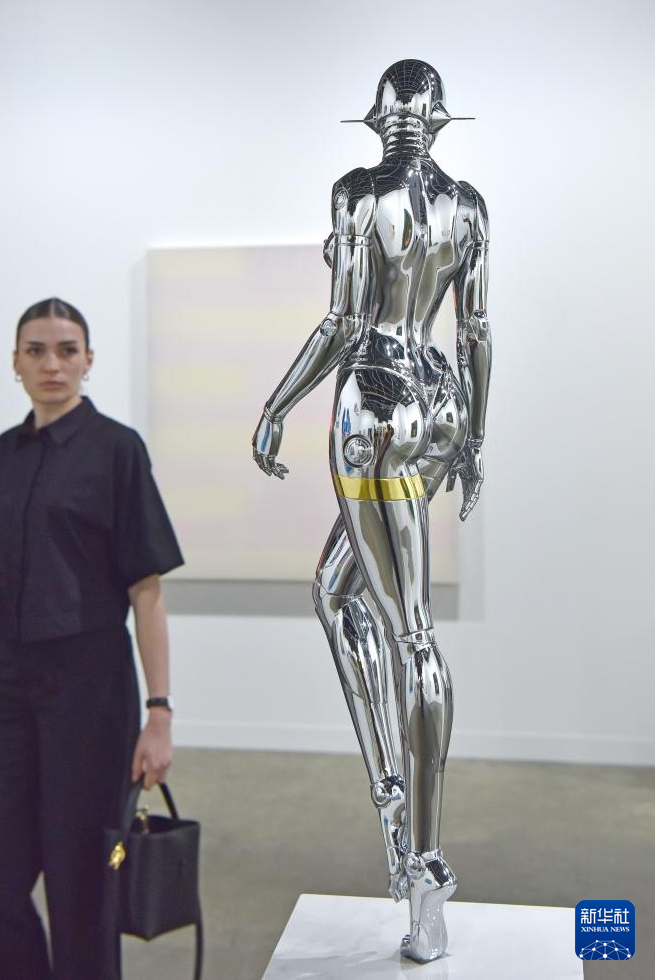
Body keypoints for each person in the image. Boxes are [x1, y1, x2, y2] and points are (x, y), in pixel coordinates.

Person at [252, 60, 491, 963]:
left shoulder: (356, 192)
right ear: (438, 119)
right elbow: (474, 331)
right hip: (439, 408)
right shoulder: (468, 206)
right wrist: (474, 439)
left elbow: (343, 324)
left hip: (374, 410)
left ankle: (423, 862)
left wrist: (276, 404)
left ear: (380, 119)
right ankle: (390, 790)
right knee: (333, 589)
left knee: (410, 632)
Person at [0, 298, 184, 980]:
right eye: (36, 350)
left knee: (82, 889)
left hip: (91, 686)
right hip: (9, 681)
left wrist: (159, 713)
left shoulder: (117, 450)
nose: (52, 363)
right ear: (14, 362)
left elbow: (145, 588)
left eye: (67, 350)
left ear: (88, 360)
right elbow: (10, 568)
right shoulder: (0, 455)